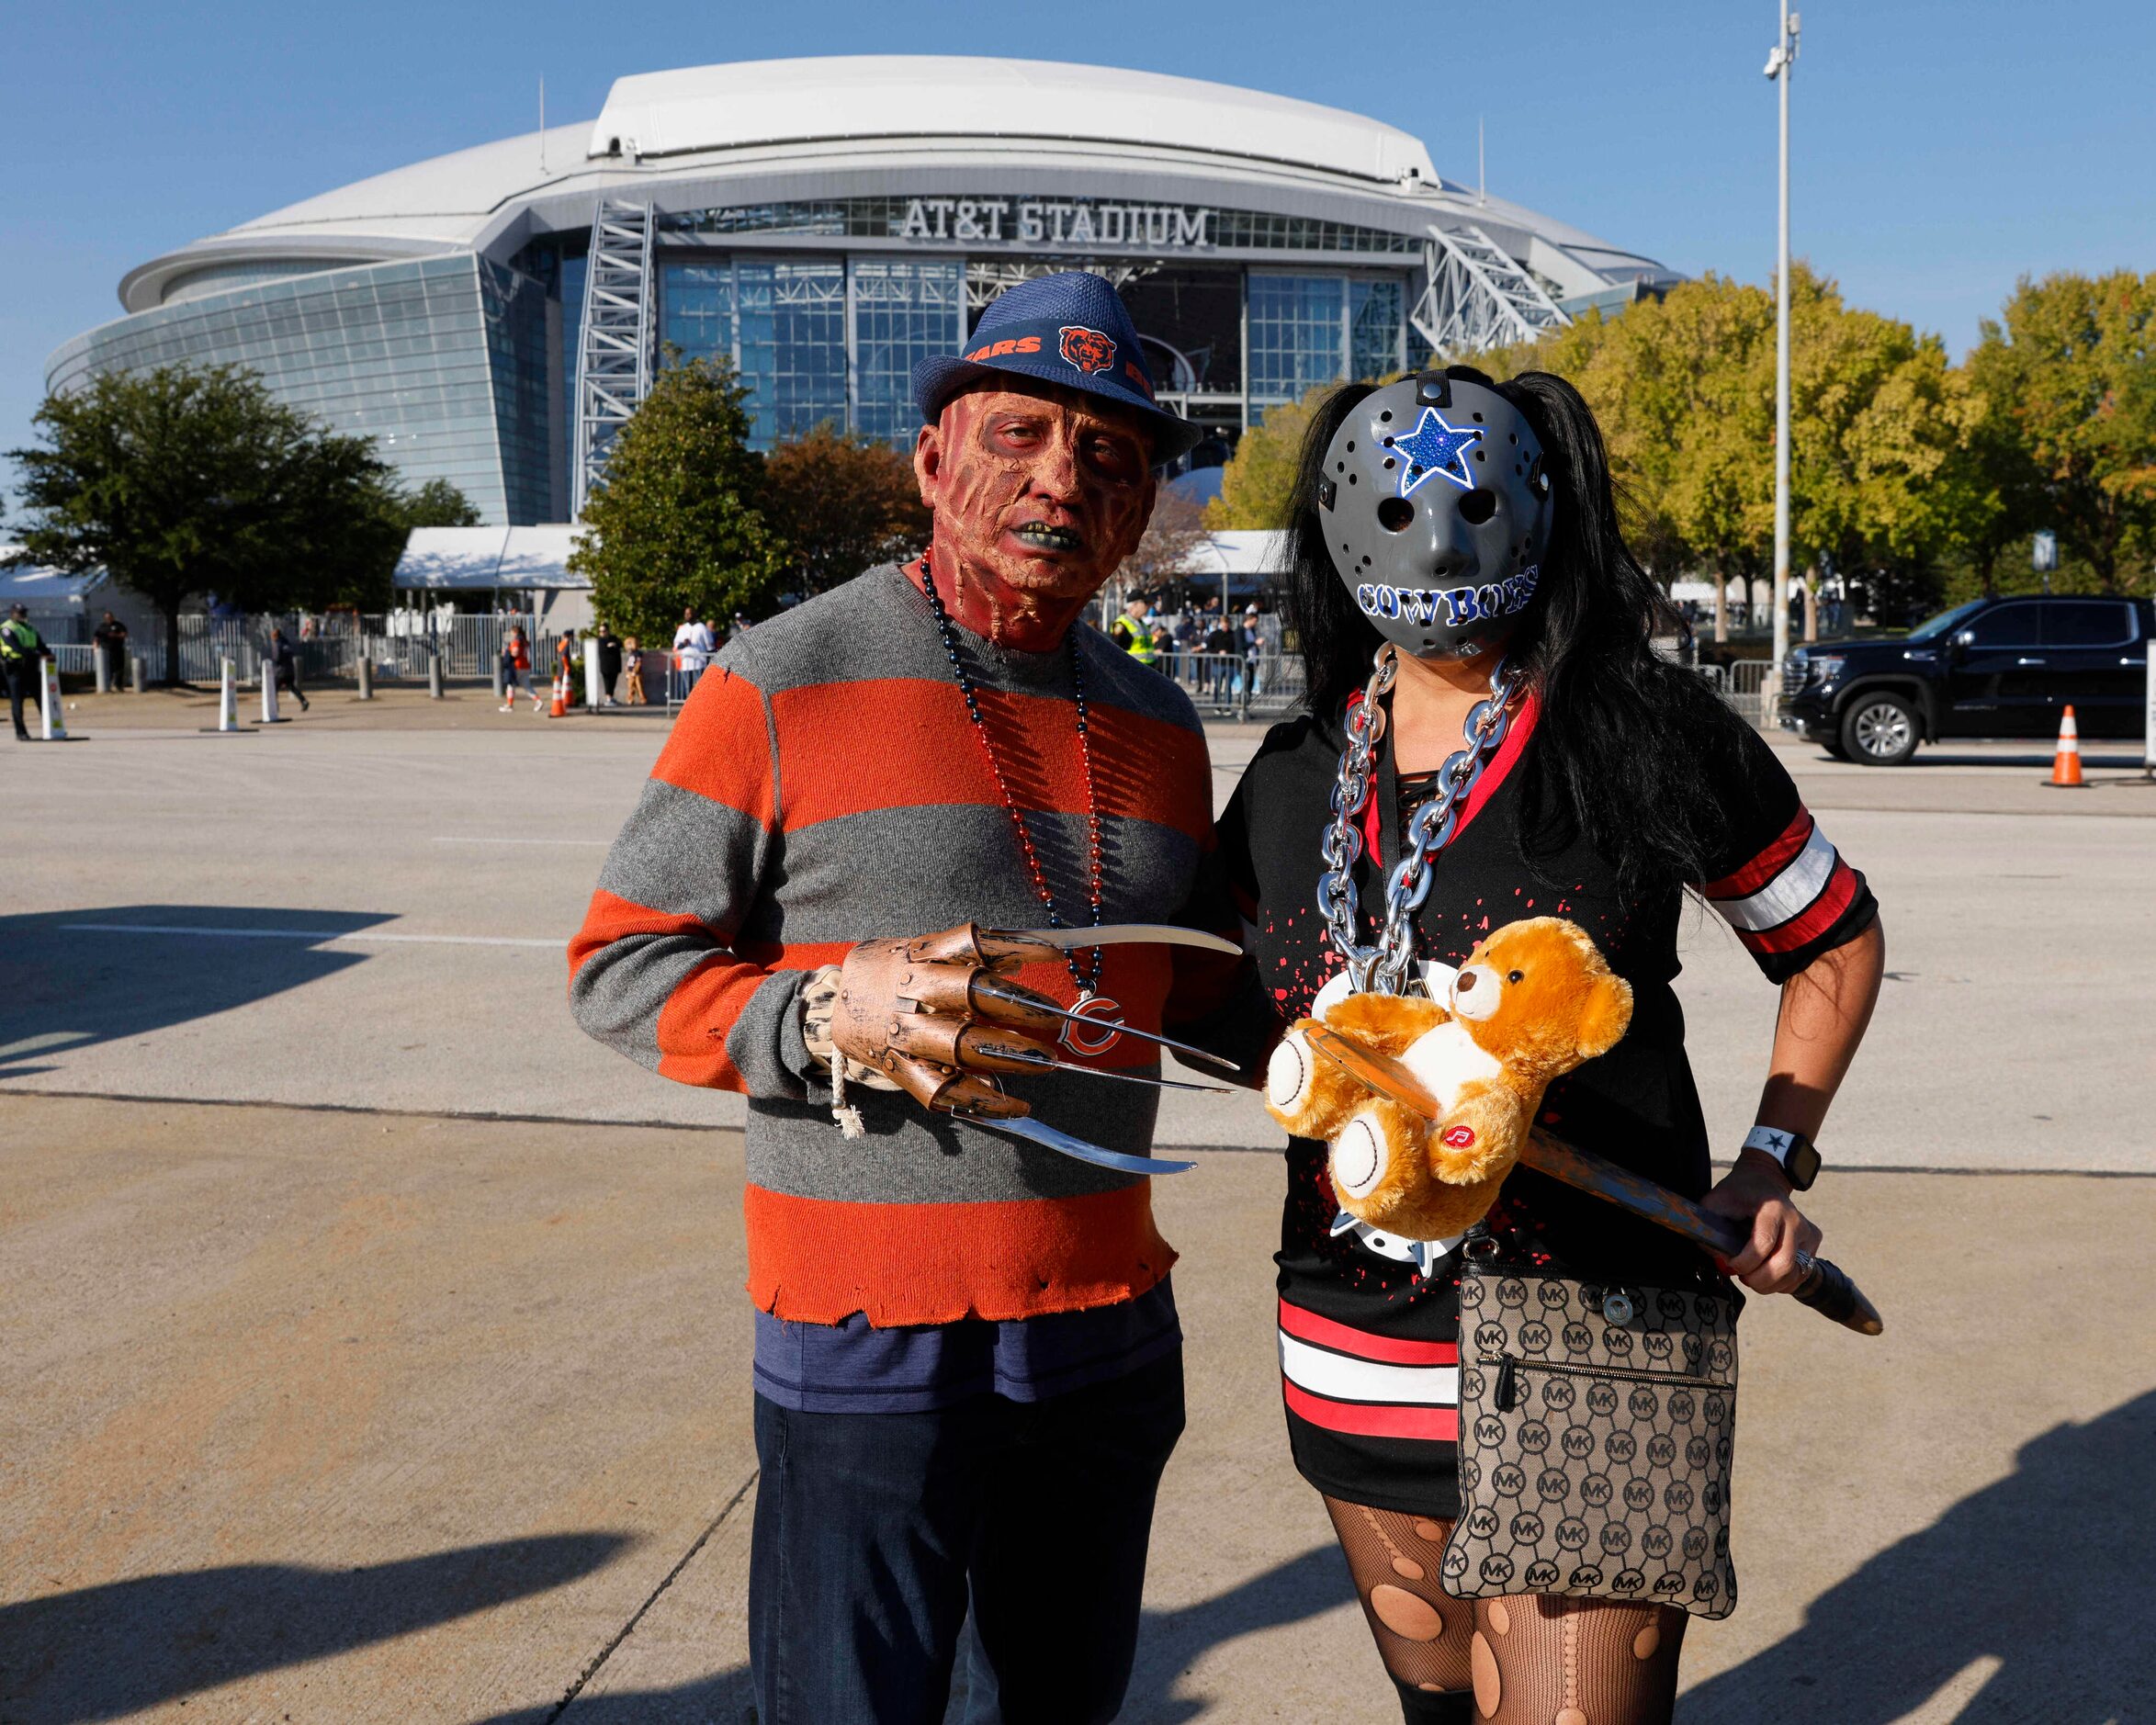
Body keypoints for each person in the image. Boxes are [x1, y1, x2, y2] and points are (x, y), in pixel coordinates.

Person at [569, 272, 1266, 1725]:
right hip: (865, 1328)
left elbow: (1198, 997)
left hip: (1103, 1320)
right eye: (1018, 435)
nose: (1062, 483)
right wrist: (816, 1015)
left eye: (1112, 459)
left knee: (1057, 1704)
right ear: (932, 460)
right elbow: (622, 964)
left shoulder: (1157, 723)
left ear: (1140, 508)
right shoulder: (779, 675)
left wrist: (1400, 1053)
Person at [1216, 367, 1885, 1724]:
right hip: (1353, 1337)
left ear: (1541, 503)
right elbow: (1224, 1016)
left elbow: (1827, 934)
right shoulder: (1288, 774)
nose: (1437, 538)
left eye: (1472, 499)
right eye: (1396, 503)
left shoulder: (1638, 731)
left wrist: (1771, 1159)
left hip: (1603, 1329)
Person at [2, 604, 51, 739]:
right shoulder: (7, 628)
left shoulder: (30, 628)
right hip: (15, 668)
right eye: (20, 612)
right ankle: (21, 732)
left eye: (24, 612)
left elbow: (41, 645)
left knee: (42, 699)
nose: (23, 615)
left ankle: (50, 729)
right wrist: (36, 655)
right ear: (12, 613)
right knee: (17, 701)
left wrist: (49, 655)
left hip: (31, 667)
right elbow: (16, 648)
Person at [671, 607, 711, 697]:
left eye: (689, 613)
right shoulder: (682, 628)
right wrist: (684, 644)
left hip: (700, 664)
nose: (687, 615)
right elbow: (677, 646)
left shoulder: (702, 627)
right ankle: (690, 710)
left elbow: (710, 646)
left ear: (694, 614)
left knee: (700, 688)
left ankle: (701, 709)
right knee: (687, 689)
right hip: (686, 664)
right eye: (686, 614)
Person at [266, 626, 309, 712]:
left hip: (280, 671)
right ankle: (303, 701)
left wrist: (274, 662)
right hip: (290, 670)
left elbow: (277, 658)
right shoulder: (287, 643)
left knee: (273, 688)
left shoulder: (277, 644)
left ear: (275, 636)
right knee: (292, 687)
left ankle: (275, 706)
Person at [1108, 594, 1156, 667]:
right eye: (1145, 603)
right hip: (1131, 668)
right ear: (1135, 605)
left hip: (1148, 668)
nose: (1148, 606)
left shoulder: (1143, 624)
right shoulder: (1121, 624)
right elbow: (1115, 650)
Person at [93, 610, 130, 691]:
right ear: (105, 618)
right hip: (105, 651)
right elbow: (96, 637)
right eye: (107, 618)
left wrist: (116, 635)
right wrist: (95, 648)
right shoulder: (101, 626)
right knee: (108, 668)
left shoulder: (118, 625)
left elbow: (125, 634)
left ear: (112, 617)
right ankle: (107, 686)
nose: (108, 619)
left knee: (119, 668)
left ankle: (118, 686)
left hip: (117, 649)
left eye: (110, 617)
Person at [593, 623, 624, 707]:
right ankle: (608, 698)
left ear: (607, 631)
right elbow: (605, 649)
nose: (602, 633)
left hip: (615, 665)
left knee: (613, 681)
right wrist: (611, 646)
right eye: (600, 631)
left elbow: (620, 643)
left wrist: (614, 645)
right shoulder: (600, 640)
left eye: (603, 631)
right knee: (607, 682)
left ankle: (611, 697)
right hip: (606, 665)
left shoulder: (613, 638)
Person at [620, 636, 645, 706]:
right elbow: (628, 663)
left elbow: (638, 662)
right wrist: (627, 672)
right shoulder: (630, 654)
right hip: (630, 673)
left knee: (639, 686)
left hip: (637, 673)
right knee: (630, 687)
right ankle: (630, 699)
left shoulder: (638, 653)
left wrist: (635, 670)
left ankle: (642, 698)